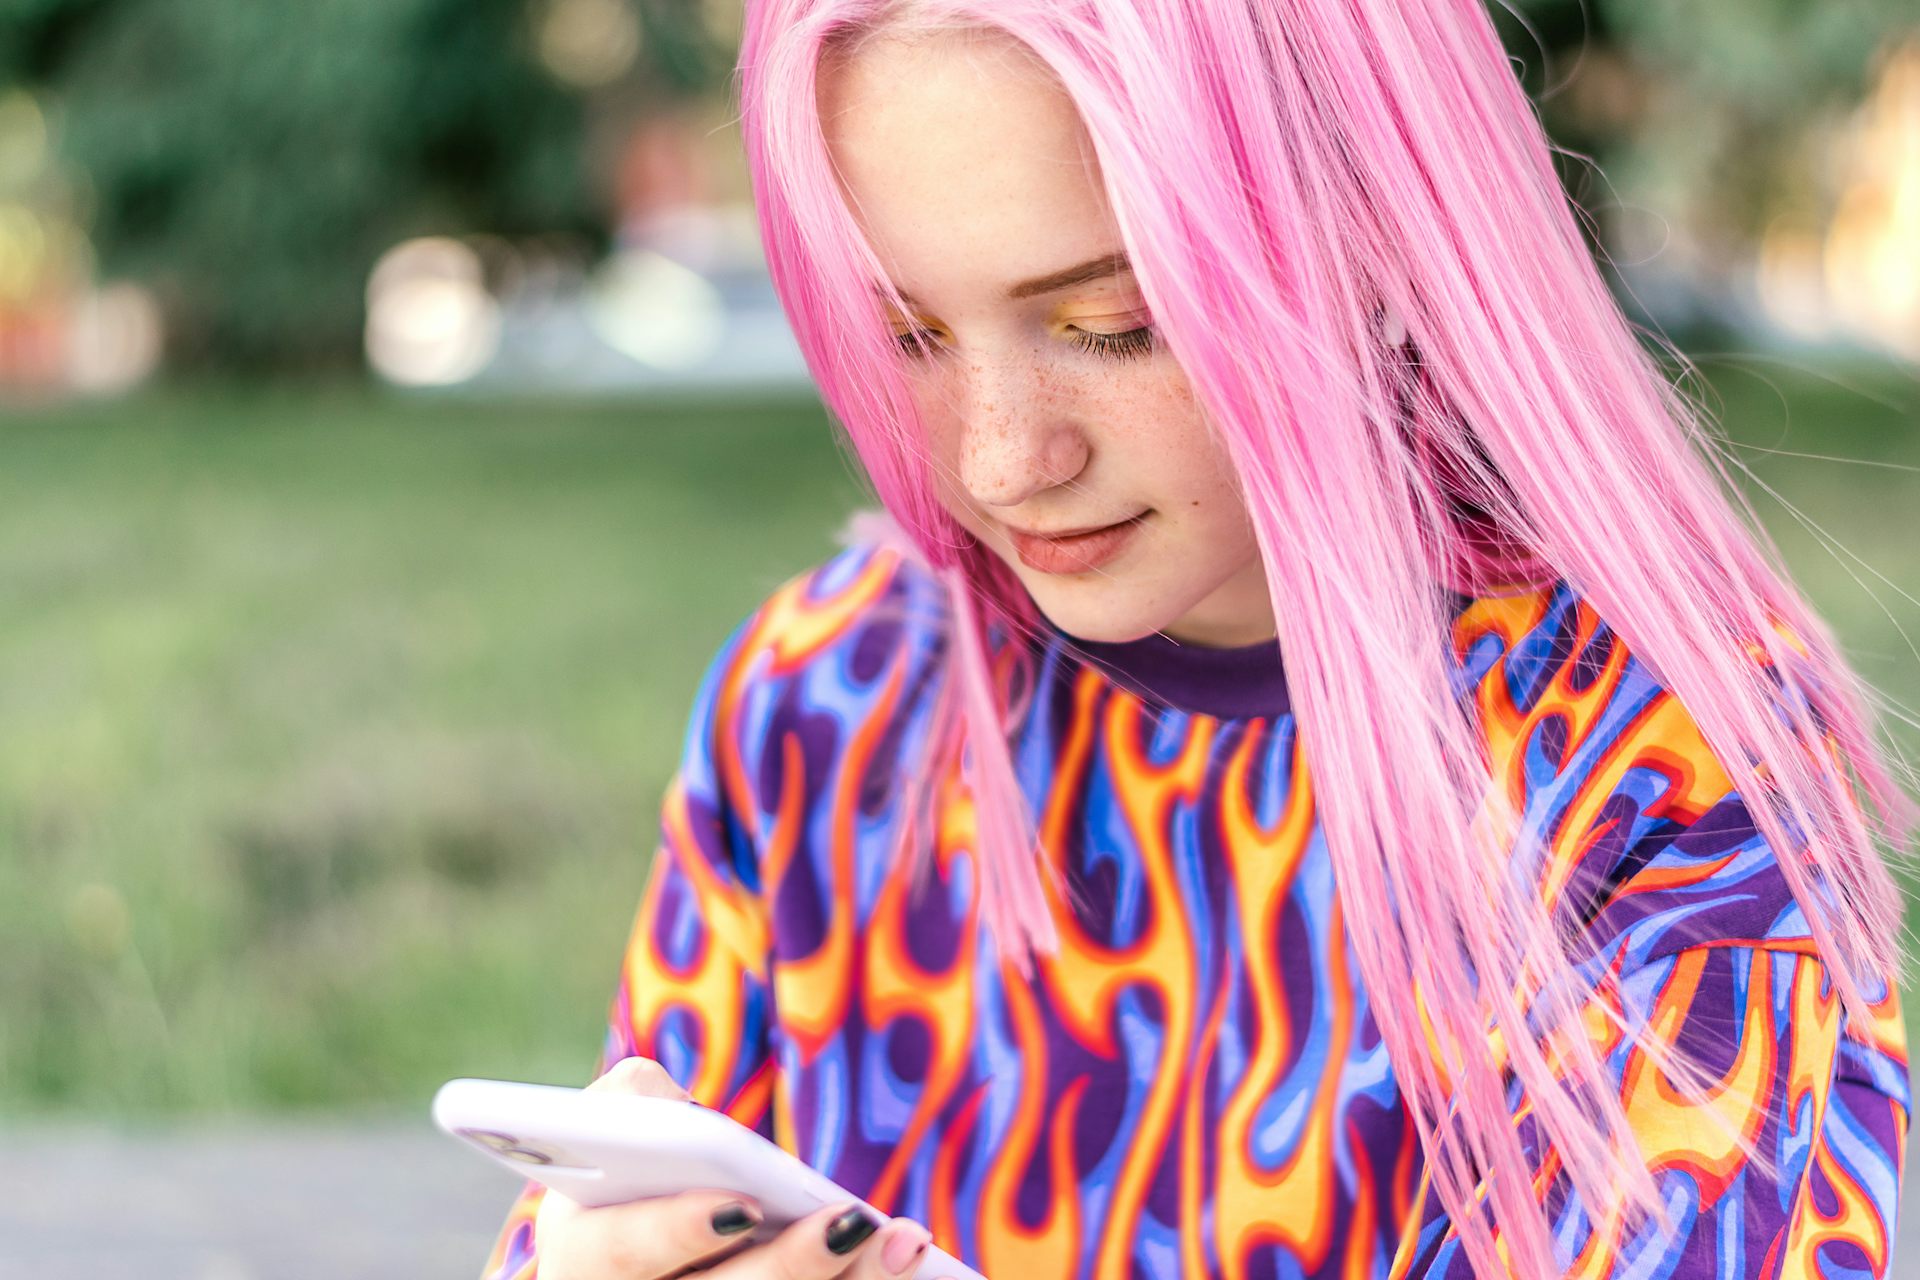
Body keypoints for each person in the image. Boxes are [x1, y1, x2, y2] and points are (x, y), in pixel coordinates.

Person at [480, 2, 1913, 1277]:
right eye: (901, 333)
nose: (1000, 460)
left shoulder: (1646, 766)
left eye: (1112, 322)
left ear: (1380, 235)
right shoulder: (826, 700)